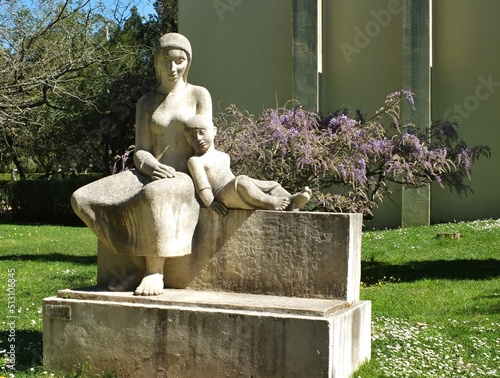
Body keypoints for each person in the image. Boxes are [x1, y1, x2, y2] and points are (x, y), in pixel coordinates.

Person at [71, 33, 212, 296]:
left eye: (179, 61)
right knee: (82, 199)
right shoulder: (146, 102)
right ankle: (135, 265)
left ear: (187, 63)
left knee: (153, 194)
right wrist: (149, 166)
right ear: (156, 64)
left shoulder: (198, 95)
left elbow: (208, 140)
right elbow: (141, 151)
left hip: (182, 175)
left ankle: (154, 271)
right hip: (148, 172)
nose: (173, 68)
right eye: (166, 61)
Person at [184, 115, 311, 215]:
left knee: (270, 184)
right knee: (242, 181)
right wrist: (210, 203)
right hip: (221, 195)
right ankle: (270, 202)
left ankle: (291, 200)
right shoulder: (195, 160)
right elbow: (203, 187)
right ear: (187, 140)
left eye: (201, 132)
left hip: (235, 187)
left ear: (214, 131)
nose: (198, 139)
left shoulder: (224, 156)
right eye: (192, 136)